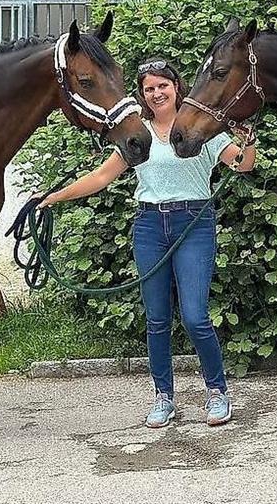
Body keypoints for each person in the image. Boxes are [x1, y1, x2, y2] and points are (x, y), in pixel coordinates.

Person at [39, 59, 256, 428]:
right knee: (156, 320)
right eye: (149, 88)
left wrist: (247, 142)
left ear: (176, 88)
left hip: (193, 223)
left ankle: (217, 391)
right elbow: (101, 177)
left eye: (163, 86)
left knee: (195, 317)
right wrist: (53, 197)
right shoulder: (137, 135)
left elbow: (243, 165)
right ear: (143, 95)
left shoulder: (200, 129)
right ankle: (163, 397)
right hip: (150, 225)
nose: (156, 93)